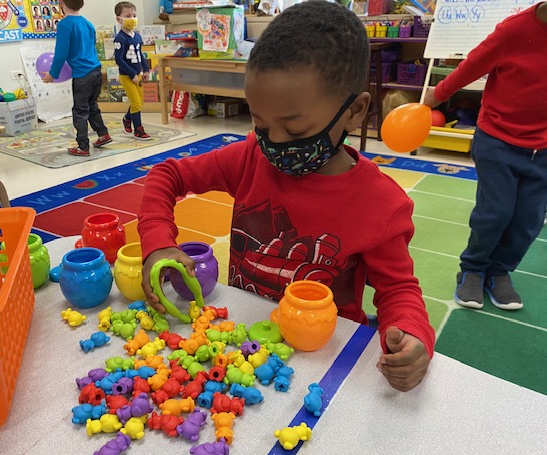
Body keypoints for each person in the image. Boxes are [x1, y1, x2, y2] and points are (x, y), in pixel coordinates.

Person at [137, 1, 435, 392]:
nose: (274, 144)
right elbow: (167, 175)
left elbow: (398, 290)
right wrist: (158, 242)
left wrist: (411, 333)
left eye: (295, 132)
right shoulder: (250, 157)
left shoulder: (381, 205)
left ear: (355, 111)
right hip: (242, 349)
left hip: (319, 364)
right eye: (260, 125)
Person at [423, 2, 547, 311]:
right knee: (496, 212)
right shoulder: (514, 30)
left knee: (528, 220)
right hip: (498, 139)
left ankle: (499, 271)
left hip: (543, 148)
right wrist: (437, 95)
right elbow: (472, 65)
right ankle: (473, 268)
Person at [42, 0, 112, 156]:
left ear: (61, 3)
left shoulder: (64, 25)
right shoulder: (88, 23)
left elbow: (61, 54)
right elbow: (91, 46)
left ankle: (83, 147)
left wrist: (52, 75)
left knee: (80, 111)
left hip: (82, 75)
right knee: (92, 105)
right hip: (96, 70)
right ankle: (103, 134)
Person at [113, 1, 151, 140]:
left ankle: (127, 118)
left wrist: (145, 70)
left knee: (139, 102)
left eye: (134, 15)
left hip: (138, 74)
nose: (132, 19)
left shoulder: (137, 37)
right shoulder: (120, 38)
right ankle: (138, 129)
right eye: (128, 16)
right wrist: (131, 74)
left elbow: (140, 54)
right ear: (119, 19)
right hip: (127, 76)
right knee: (136, 103)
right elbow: (119, 60)